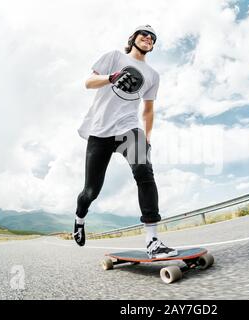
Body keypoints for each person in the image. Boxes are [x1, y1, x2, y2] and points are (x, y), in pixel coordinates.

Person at [74, 25, 178, 259]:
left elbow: (148, 110)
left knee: (144, 170)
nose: (148, 38)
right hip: (100, 131)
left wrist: (147, 138)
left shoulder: (153, 75)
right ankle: (80, 217)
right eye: (144, 34)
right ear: (133, 38)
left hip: (128, 129)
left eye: (152, 38)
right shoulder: (114, 57)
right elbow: (88, 82)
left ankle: (152, 241)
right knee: (91, 191)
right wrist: (111, 77)